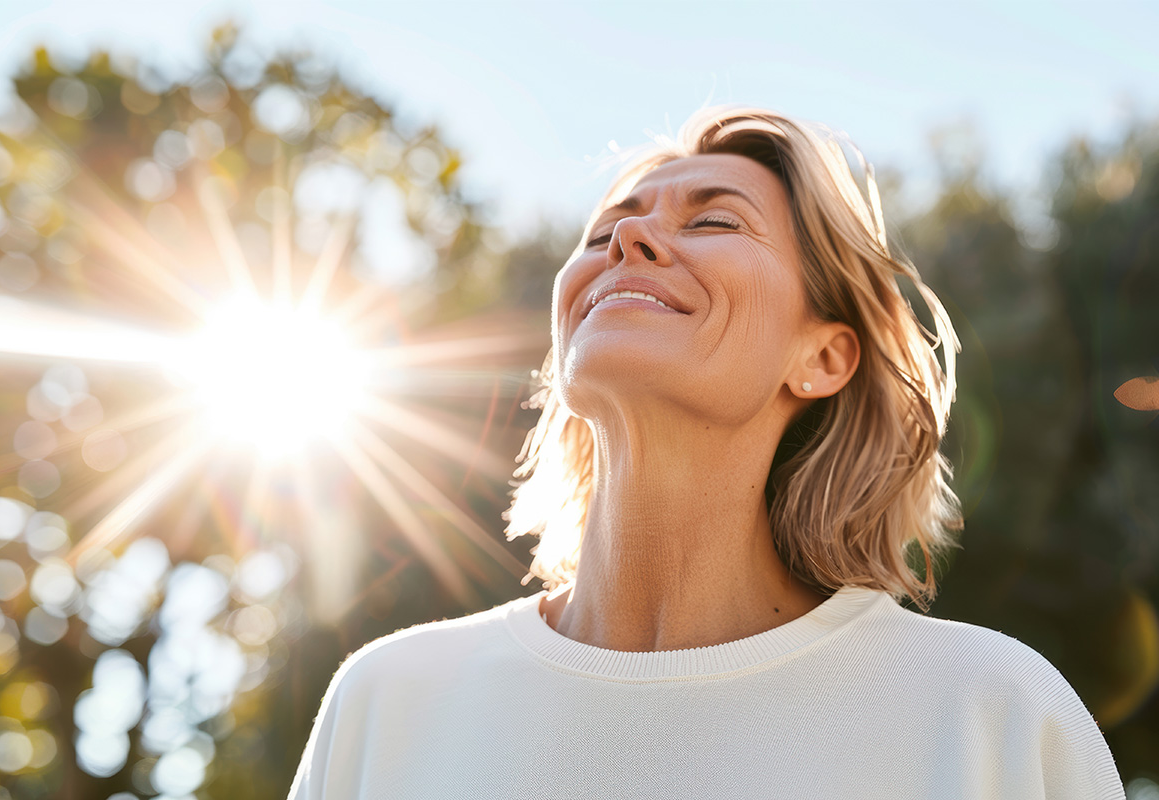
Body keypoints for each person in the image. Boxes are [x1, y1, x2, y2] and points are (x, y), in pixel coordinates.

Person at [286, 106, 1126, 799]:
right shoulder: (390, 701)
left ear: (824, 358)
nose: (629, 243)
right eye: (604, 232)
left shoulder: (990, 715)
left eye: (715, 220)